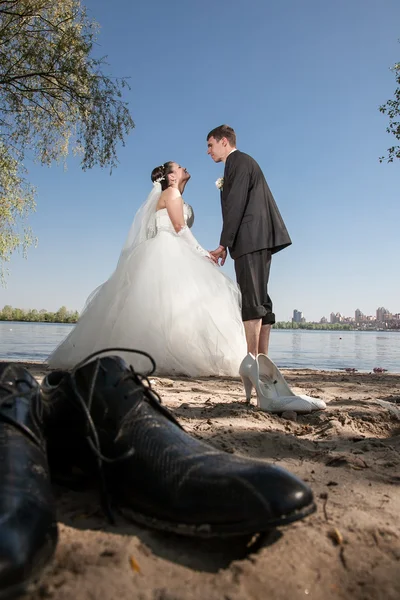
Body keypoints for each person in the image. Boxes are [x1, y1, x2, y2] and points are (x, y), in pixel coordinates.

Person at [47, 162, 247, 376]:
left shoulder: (174, 194)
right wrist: (204, 254)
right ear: (170, 177)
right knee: (175, 302)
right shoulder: (171, 193)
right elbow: (180, 228)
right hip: (168, 248)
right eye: (179, 167)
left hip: (174, 247)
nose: (185, 168)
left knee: (176, 304)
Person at [207, 125, 292, 358]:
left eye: (210, 145)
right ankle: (263, 362)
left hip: (250, 239)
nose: (208, 151)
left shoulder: (238, 162)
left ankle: (253, 360)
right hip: (256, 239)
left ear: (224, 141)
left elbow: (236, 204)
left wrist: (224, 244)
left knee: (252, 300)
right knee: (260, 298)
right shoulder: (240, 163)